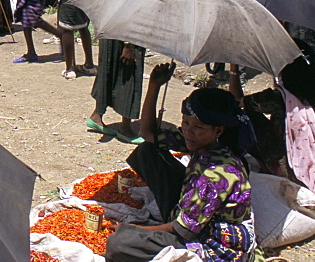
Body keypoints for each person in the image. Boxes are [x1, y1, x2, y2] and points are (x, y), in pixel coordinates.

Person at [106, 63, 255, 262]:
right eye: (185, 123)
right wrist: (154, 86)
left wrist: (136, 229)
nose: (188, 131)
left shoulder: (217, 174)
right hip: (186, 215)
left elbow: (184, 230)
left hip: (211, 242)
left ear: (218, 131)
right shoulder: (202, 143)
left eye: (197, 127)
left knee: (119, 244)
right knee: (148, 150)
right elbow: (148, 133)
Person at [87, 0, 165, 143]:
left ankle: (97, 116)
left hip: (115, 28)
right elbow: (130, 3)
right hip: (127, 30)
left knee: (109, 71)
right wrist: (129, 43)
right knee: (129, 75)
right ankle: (125, 127)